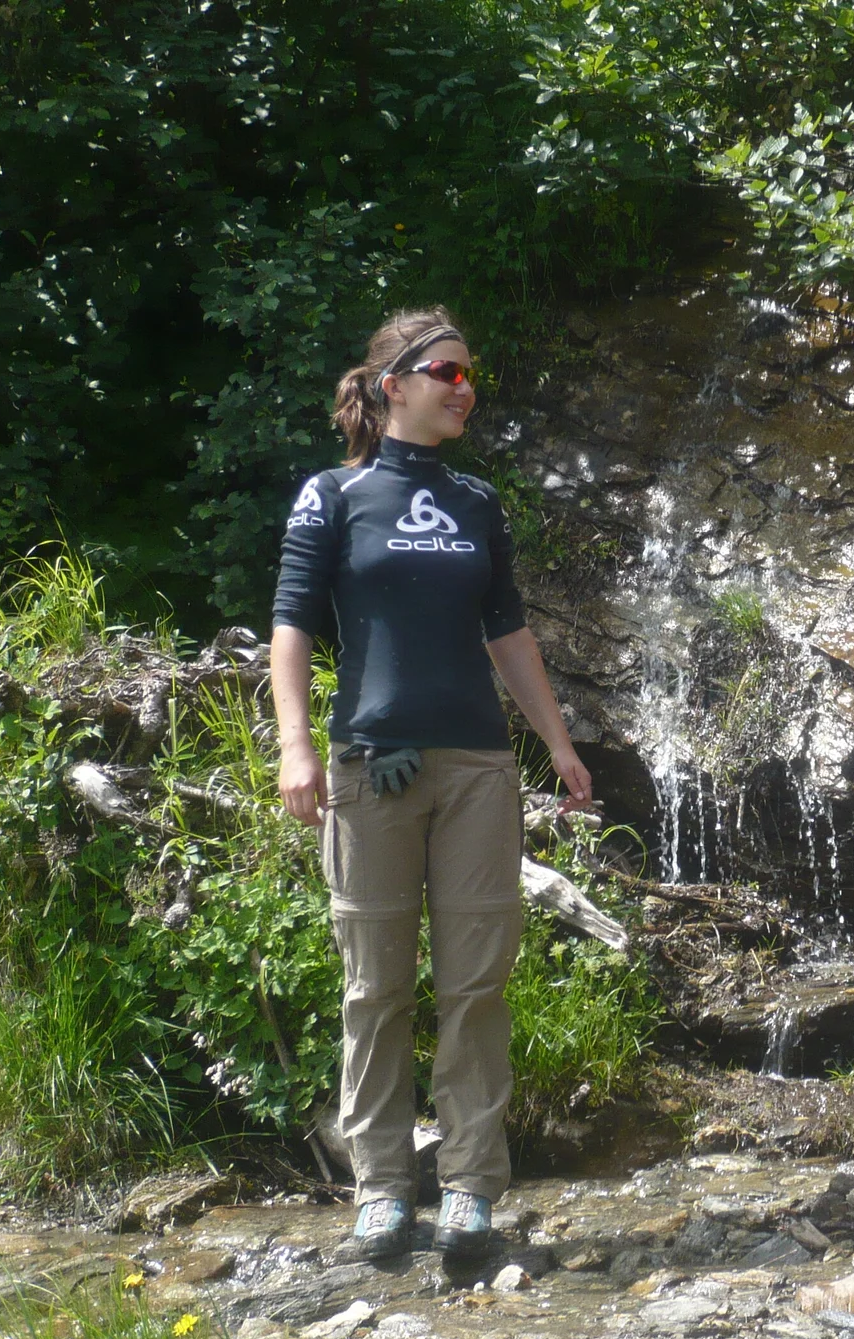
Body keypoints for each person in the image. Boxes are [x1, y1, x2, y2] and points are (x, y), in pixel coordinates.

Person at [270, 307, 593, 1260]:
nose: (465, 389)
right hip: (371, 769)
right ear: (392, 385)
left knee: (476, 984)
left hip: (480, 770)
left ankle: (470, 1189)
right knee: (375, 988)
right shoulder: (332, 495)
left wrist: (559, 748)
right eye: (447, 373)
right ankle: (379, 1188)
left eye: (470, 375)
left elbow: (510, 636)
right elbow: (292, 625)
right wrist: (297, 747)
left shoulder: (477, 502)